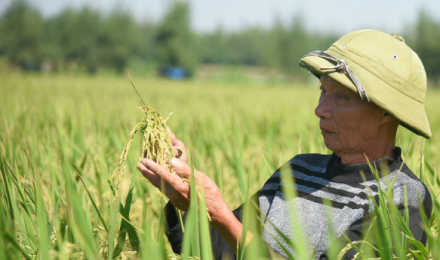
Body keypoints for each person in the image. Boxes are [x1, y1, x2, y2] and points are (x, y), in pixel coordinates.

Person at [137, 29, 433, 259]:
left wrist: (221, 215)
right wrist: (189, 200)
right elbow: (221, 249)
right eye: (322, 92)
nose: (320, 110)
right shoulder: (298, 171)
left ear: (386, 112)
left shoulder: (404, 197)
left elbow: (232, 230)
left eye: (340, 98)